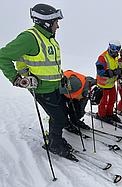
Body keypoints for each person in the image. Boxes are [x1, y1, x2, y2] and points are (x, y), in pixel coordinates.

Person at [0, 4, 76, 159]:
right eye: (56, 22)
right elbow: (3, 56)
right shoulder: (30, 37)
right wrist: (16, 79)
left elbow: (49, 65)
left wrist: (61, 77)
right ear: (46, 23)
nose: (58, 26)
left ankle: (55, 139)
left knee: (60, 115)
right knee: (60, 118)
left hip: (54, 86)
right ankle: (54, 145)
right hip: (41, 89)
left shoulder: (50, 40)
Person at [95, 40, 122, 123]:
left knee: (112, 99)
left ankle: (109, 113)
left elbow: (117, 66)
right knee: (103, 101)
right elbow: (99, 71)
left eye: (117, 51)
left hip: (111, 84)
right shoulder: (103, 57)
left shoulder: (116, 57)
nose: (115, 53)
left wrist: (118, 71)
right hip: (103, 85)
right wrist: (108, 73)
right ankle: (101, 114)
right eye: (114, 51)